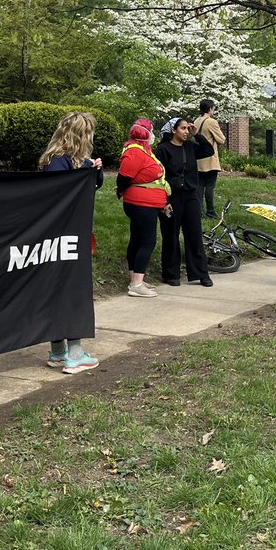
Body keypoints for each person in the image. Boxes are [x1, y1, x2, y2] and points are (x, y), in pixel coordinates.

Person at [39, 112, 104, 373]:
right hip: (64, 235)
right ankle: (74, 353)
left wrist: (94, 171)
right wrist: (84, 171)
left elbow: (92, 186)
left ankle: (58, 350)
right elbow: (59, 193)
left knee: (60, 289)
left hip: (70, 233)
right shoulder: (57, 161)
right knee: (71, 289)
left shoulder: (75, 160)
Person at [155, 116, 215, 288]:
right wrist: (163, 200)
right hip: (172, 196)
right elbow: (159, 175)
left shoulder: (190, 147)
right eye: (183, 129)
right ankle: (171, 274)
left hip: (190, 195)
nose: (186, 132)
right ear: (174, 130)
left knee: (194, 233)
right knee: (170, 235)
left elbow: (208, 151)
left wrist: (198, 135)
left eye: (187, 129)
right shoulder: (163, 149)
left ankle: (200, 273)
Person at [116, 119, 169, 298]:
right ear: (145, 133)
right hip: (141, 204)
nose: (153, 133)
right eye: (152, 130)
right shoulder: (135, 152)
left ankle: (135, 279)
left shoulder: (142, 150)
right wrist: (121, 190)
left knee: (138, 240)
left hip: (145, 203)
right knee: (147, 241)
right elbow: (124, 176)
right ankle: (137, 285)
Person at [193, 99, 225, 218]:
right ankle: (210, 211)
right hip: (210, 159)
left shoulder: (196, 121)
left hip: (198, 159)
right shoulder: (211, 122)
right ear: (210, 109)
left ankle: (199, 211)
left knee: (200, 185)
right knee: (210, 186)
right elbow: (221, 139)